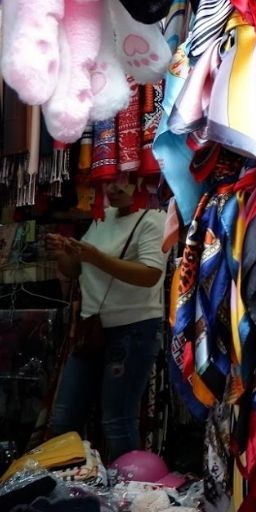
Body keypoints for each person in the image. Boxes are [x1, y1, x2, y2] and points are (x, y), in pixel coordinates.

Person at [47, 176, 167, 460]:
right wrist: (64, 253)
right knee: (64, 417)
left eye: (122, 182)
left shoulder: (154, 217)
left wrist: (95, 257)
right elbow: (75, 270)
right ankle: (66, 490)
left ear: (142, 182)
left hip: (133, 330)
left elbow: (151, 275)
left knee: (117, 419)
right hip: (94, 328)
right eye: (109, 182)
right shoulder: (104, 216)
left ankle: (128, 492)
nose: (111, 189)